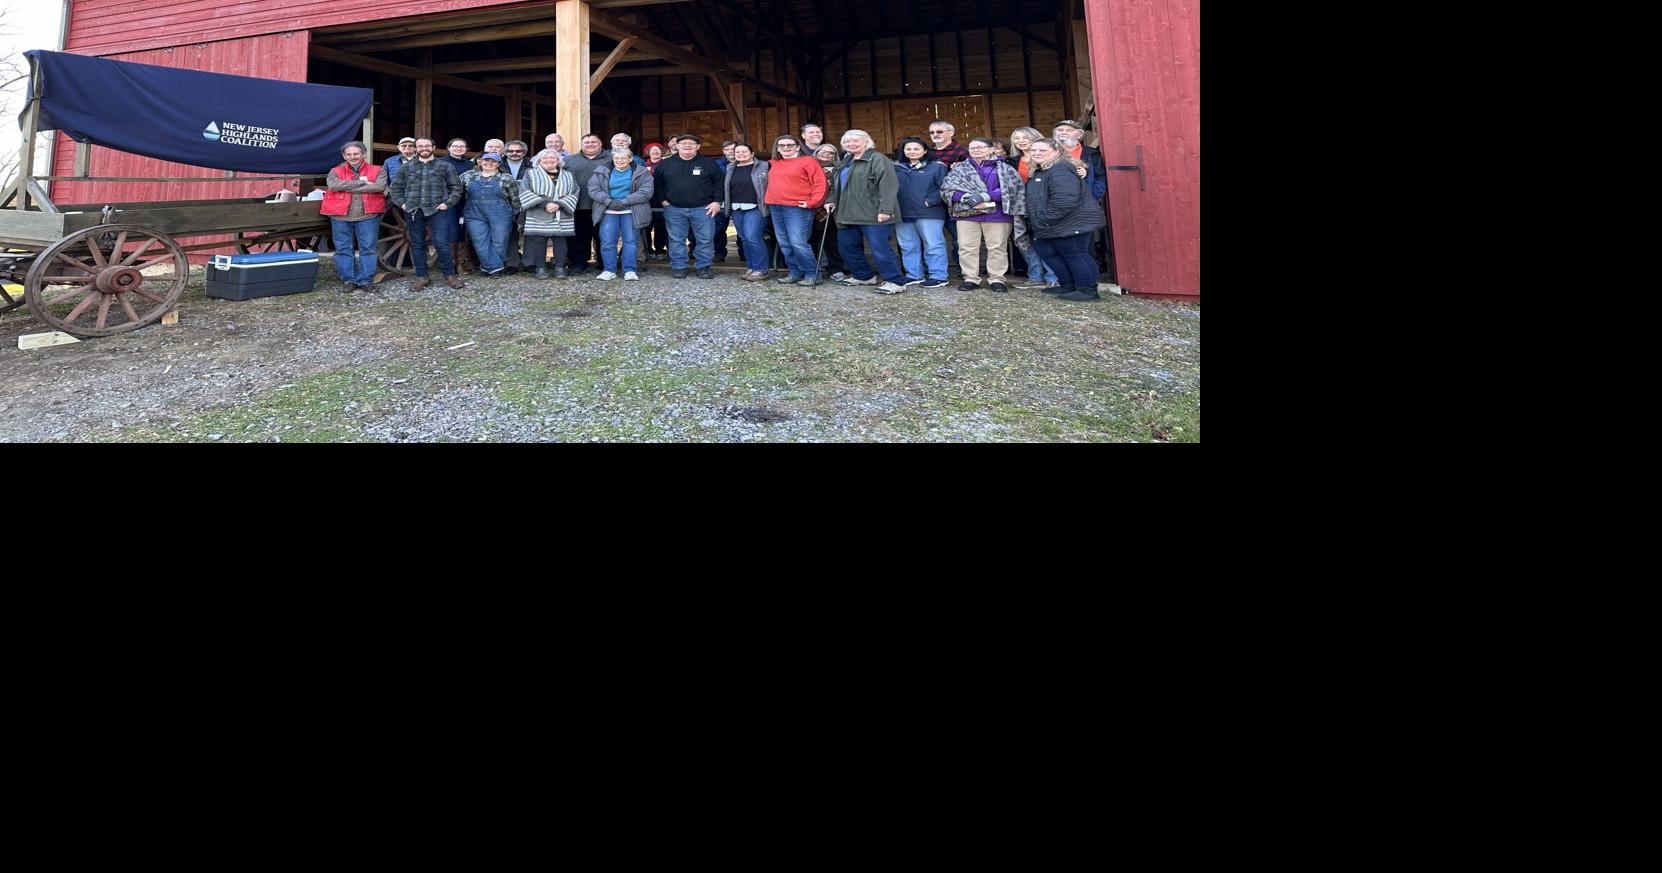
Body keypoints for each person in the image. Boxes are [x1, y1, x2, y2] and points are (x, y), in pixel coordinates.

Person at [1023, 138, 1106, 301]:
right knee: (1049, 252)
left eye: (1042, 150)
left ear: (1056, 151)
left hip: (1071, 221)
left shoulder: (1060, 169)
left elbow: (1064, 199)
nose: (1037, 153)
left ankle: (1087, 290)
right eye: (1034, 151)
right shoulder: (1041, 171)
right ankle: (1069, 285)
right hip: (1051, 223)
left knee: (1075, 254)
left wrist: (1043, 218)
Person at [827, 129, 906, 294]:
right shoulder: (845, 161)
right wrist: (830, 200)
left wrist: (885, 209)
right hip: (847, 214)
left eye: (856, 140)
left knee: (880, 249)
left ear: (866, 142)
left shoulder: (878, 159)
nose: (851, 144)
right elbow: (835, 185)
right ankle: (863, 276)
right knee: (847, 247)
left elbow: (889, 185)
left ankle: (895, 281)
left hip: (873, 213)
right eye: (847, 142)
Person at [941, 136, 1024, 292]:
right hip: (967, 214)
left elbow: (1012, 189)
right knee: (966, 247)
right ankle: (971, 278)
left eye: (980, 147)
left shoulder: (1005, 168)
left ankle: (997, 279)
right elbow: (947, 189)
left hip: (997, 215)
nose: (976, 150)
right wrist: (966, 198)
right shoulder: (960, 168)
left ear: (991, 149)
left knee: (997, 247)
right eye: (972, 148)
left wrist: (985, 196)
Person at [388, 137, 464, 291]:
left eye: (427, 145)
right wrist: (402, 203)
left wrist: (447, 204)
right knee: (417, 244)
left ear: (433, 147)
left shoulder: (445, 166)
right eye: (420, 146)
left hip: (438, 210)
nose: (424, 148)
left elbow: (456, 188)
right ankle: (422, 277)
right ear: (416, 148)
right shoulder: (406, 168)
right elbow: (395, 188)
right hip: (414, 210)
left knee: (442, 243)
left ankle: (449, 276)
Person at [653, 133, 722, 279]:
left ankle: (703, 267)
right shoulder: (666, 164)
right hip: (674, 209)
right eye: (683, 143)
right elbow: (657, 183)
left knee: (705, 239)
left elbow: (719, 183)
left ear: (698, 147)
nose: (687, 146)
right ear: (676, 146)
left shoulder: (709, 163)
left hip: (703, 208)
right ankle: (679, 267)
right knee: (676, 239)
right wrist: (663, 200)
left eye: (691, 143)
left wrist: (717, 201)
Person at [321, 141, 387, 293]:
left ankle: (365, 280)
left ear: (363, 154)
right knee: (343, 248)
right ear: (344, 156)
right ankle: (348, 280)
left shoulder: (378, 170)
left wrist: (347, 186)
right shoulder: (335, 171)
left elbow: (379, 187)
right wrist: (362, 184)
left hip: (368, 214)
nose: (353, 157)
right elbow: (334, 186)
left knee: (368, 248)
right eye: (349, 154)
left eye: (356, 154)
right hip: (340, 215)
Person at [764, 134, 828, 286]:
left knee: (798, 242)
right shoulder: (773, 163)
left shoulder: (808, 161)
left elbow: (820, 183)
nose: (785, 148)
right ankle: (795, 271)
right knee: (784, 242)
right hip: (776, 206)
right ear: (777, 148)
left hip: (797, 208)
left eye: (789, 145)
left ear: (798, 146)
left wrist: (813, 202)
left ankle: (813, 273)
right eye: (782, 145)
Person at [587, 148, 654, 281]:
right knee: (607, 241)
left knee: (630, 241)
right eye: (617, 158)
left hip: (630, 211)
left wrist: (625, 201)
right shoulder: (602, 171)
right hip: (608, 211)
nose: (620, 161)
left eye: (623, 158)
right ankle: (609, 270)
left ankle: (629, 270)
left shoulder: (641, 172)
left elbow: (646, 191)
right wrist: (608, 201)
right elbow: (593, 189)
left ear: (630, 159)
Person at [891, 137, 948, 288]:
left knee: (933, 245)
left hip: (929, 213)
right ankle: (914, 275)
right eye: (908, 149)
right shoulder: (896, 168)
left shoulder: (936, 167)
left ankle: (939, 275)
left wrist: (929, 201)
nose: (912, 151)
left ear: (924, 151)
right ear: (903, 151)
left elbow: (945, 188)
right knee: (908, 245)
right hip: (903, 213)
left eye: (916, 148)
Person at [520, 150, 579, 279]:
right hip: (538, 212)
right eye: (545, 158)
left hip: (561, 213)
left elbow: (575, 192)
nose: (549, 160)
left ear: (558, 161)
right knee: (539, 241)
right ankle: (540, 269)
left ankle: (560, 268)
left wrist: (559, 204)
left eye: (553, 158)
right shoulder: (530, 174)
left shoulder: (568, 175)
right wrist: (544, 204)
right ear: (539, 160)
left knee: (560, 241)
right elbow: (524, 191)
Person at [459, 152, 519, 276]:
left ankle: (487, 268)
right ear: (480, 161)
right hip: (474, 214)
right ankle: (495, 268)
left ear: (498, 164)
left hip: (501, 214)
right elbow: (455, 190)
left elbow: (516, 200)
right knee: (479, 241)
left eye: (493, 161)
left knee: (499, 242)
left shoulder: (506, 178)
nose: (489, 163)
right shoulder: (468, 176)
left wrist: (513, 214)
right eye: (486, 160)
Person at [561, 134, 609, 274]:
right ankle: (578, 263)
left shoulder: (611, 159)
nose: (590, 144)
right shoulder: (568, 160)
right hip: (578, 205)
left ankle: (604, 263)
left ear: (601, 144)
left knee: (603, 236)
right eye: (587, 142)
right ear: (581, 145)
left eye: (594, 142)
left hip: (603, 205)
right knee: (578, 237)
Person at [723, 142, 770, 281]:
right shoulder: (730, 168)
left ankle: (761, 269)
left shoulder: (764, 166)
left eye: (744, 151)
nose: (741, 154)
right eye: (737, 152)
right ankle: (752, 267)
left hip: (756, 207)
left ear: (752, 153)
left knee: (753, 237)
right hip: (737, 208)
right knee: (744, 239)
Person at [809, 143, 844, 278]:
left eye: (831, 153)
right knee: (811, 240)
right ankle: (812, 268)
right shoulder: (809, 168)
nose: (827, 155)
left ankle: (835, 268)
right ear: (816, 153)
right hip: (812, 207)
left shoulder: (839, 170)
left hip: (831, 208)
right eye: (823, 152)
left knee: (831, 240)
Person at [441, 139, 475, 272]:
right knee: (451, 230)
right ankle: (451, 262)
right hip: (448, 201)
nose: (458, 148)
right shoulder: (441, 162)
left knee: (462, 230)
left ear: (466, 149)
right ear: (449, 148)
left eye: (462, 146)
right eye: (455, 146)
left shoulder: (469, 164)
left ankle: (460, 261)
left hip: (465, 201)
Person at [501, 140, 534, 273]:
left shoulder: (532, 166)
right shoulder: (498, 165)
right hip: (505, 205)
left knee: (530, 233)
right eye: (511, 151)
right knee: (509, 234)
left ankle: (530, 262)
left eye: (518, 151)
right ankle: (511, 263)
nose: (514, 153)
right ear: (505, 152)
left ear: (524, 152)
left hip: (527, 204)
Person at [642, 142, 670, 260]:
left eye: (658, 150)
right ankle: (648, 249)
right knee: (646, 225)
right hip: (647, 199)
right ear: (648, 152)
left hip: (662, 197)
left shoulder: (667, 164)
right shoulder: (642, 165)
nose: (655, 152)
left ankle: (660, 249)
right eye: (652, 150)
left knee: (661, 225)